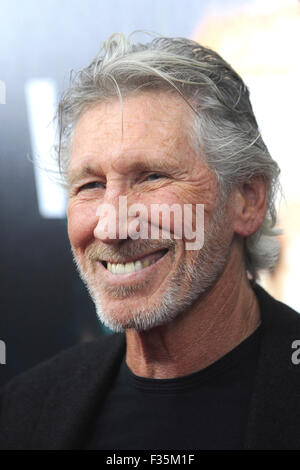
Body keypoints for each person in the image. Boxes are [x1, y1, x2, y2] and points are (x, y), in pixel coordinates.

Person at [1, 33, 300, 450]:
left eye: (152, 177)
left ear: (247, 200)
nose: (111, 227)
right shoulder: (25, 410)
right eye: (90, 185)